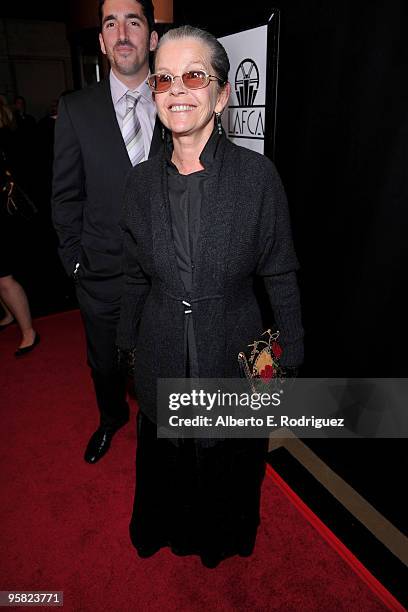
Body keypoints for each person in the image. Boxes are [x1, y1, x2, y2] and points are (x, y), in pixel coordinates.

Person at [116, 26, 304, 568]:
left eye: (194, 76)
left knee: (229, 459)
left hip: (231, 351)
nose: (178, 89)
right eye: (164, 78)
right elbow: (133, 276)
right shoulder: (138, 183)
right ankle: (170, 528)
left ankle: (221, 537)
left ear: (222, 95)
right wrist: (127, 344)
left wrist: (289, 356)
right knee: (167, 455)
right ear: (153, 93)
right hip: (162, 352)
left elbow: (281, 273)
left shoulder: (258, 179)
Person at [52, 0, 161, 464]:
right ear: (100, 41)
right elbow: (65, 195)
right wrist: (76, 262)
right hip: (100, 271)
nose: (122, 33)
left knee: (165, 359)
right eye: (110, 24)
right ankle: (111, 418)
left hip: (167, 272)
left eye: (133, 22)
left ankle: (160, 426)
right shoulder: (75, 108)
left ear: (152, 38)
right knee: (105, 363)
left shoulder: (177, 100)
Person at [0, 95, 39, 355]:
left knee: (4, 278)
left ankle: (28, 331)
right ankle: (8, 314)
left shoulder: (6, 138)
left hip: (2, 216)